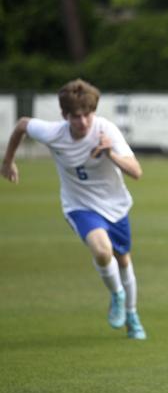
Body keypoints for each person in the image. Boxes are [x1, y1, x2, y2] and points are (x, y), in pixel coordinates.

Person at [1, 78, 147, 339]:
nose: (83, 122)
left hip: (115, 205)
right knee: (103, 252)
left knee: (123, 260)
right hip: (79, 206)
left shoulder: (106, 130)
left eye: (87, 115)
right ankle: (117, 295)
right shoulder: (53, 133)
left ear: (94, 112)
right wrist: (8, 162)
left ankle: (132, 315)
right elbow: (23, 124)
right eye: (76, 116)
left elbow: (136, 172)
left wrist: (109, 153)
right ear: (64, 115)